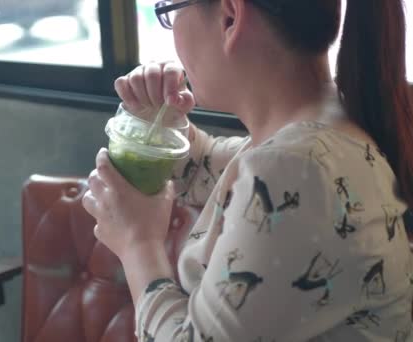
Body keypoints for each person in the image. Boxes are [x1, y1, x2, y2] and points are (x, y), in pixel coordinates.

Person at [82, 0, 413, 340]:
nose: (173, 33)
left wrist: (138, 245)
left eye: (172, 9)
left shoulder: (299, 166)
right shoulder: (324, 129)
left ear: (229, 16)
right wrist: (161, 122)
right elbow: (208, 169)